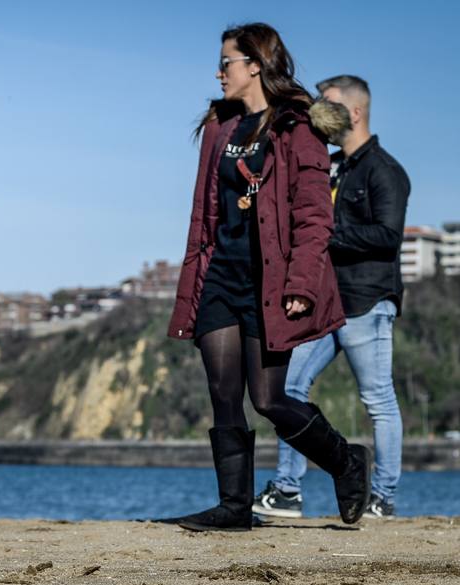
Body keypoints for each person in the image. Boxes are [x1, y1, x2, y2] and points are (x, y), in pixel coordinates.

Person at [164, 23, 370, 531]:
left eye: (227, 62)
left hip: (270, 283)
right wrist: (194, 275)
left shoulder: (297, 126)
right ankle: (234, 507)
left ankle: (346, 460)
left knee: (268, 399)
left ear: (254, 65)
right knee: (222, 391)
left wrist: (302, 284)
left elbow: (314, 215)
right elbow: (205, 210)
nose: (219, 72)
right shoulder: (221, 126)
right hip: (219, 275)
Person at [252, 75, 409, 520]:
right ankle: (287, 489)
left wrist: (328, 232)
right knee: (286, 389)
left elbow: (388, 234)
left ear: (354, 113)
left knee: (378, 400)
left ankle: (383, 496)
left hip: (366, 301)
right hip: (324, 301)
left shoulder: (385, 171)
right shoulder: (328, 162)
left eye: (328, 102)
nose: (317, 108)